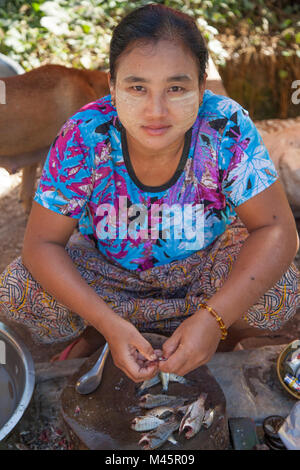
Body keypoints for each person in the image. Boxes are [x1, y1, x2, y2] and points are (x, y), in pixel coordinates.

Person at [0, 4, 299, 382]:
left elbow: (278, 230)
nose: (156, 110)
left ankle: (214, 340)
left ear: (201, 86)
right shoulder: (84, 133)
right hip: (111, 276)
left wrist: (214, 319)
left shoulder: (226, 126)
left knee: (281, 288)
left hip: (202, 273)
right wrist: (106, 322)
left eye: (176, 88)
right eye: (137, 87)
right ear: (112, 86)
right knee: (20, 289)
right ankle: (101, 336)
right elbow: (41, 244)